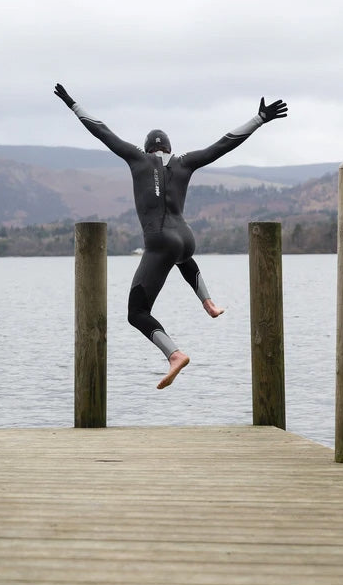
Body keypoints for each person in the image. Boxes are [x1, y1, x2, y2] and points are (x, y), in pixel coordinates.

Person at [54, 82, 287, 388]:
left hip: (159, 241)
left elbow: (101, 130)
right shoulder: (185, 162)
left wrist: (72, 103)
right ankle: (209, 303)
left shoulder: (136, 159)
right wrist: (259, 119)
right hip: (186, 239)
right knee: (182, 257)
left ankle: (174, 355)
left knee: (136, 313)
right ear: (169, 149)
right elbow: (224, 143)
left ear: (148, 149)